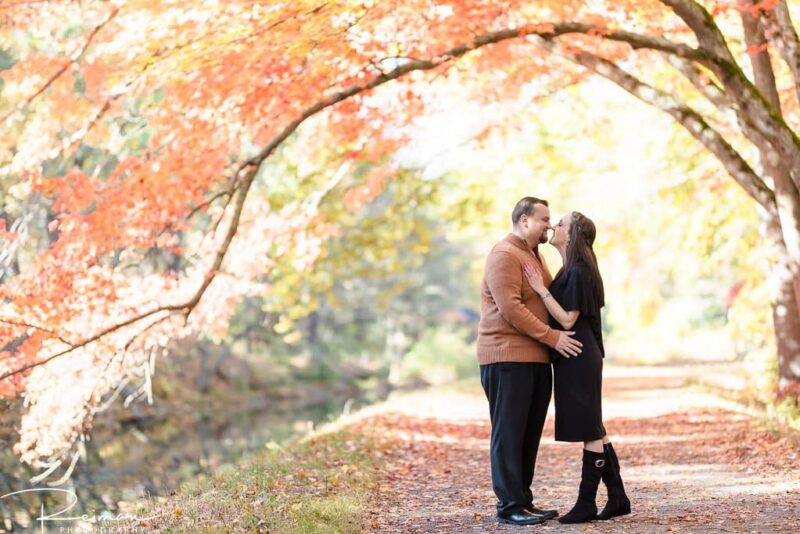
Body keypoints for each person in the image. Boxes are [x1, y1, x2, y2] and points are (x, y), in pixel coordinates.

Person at [477, 197, 584, 526]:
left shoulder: (534, 255)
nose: (549, 226)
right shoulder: (504, 255)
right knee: (509, 433)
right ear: (524, 221)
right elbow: (510, 309)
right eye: (544, 219)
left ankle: (523, 500)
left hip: (535, 359)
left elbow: (551, 297)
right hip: (507, 357)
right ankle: (509, 506)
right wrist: (553, 338)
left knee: (527, 433)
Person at [524, 211, 631, 524]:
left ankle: (586, 503)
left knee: (589, 428)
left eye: (561, 224)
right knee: (593, 424)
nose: (555, 226)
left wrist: (540, 290)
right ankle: (618, 496)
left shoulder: (579, 271)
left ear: (572, 236)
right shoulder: (571, 269)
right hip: (577, 353)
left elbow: (569, 319)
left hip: (578, 353)